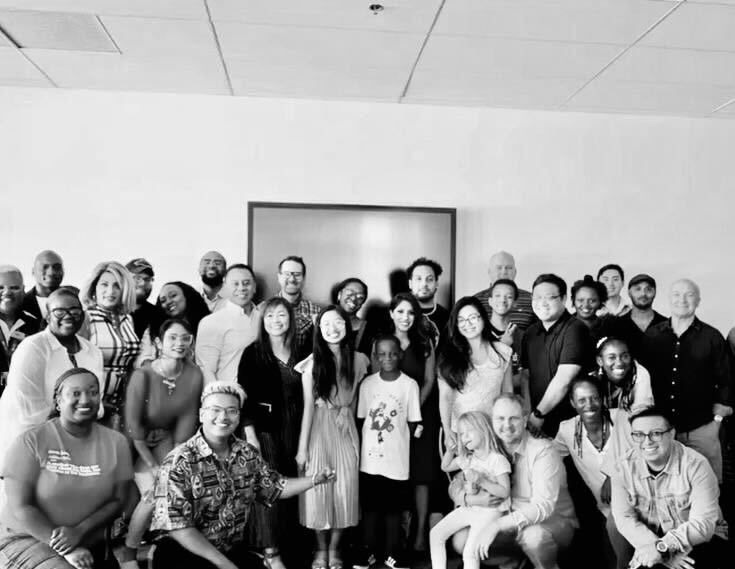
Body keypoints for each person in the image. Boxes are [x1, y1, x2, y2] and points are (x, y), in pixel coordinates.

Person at [150, 382, 336, 569]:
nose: (223, 417)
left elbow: (275, 487)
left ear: (239, 416)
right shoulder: (179, 461)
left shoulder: (247, 453)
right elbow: (178, 527)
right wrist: (226, 565)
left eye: (232, 410)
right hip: (184, 553)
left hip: (229, 550)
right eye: (215, 409)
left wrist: (315, 480)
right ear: (201, 414)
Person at [0, 367, 133, 569]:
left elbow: (119, 500)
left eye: (93, 392)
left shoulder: (117, 442)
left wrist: (79, 531)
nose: (86, 399)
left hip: (86, 541)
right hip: (27, 538)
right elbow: (21, 507)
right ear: (59, 401)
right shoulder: (31, 441)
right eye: (75, 393)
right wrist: (66, 548)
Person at [449, 394, 577, 569]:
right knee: (461, 540)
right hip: (510, 524)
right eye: (500, 419)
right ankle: (512, 563)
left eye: (513, 419)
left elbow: (543, 506)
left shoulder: (544, 451)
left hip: (551, 524)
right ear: (492, 421)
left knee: (533, 537)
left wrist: (496, 525)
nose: (506, 425)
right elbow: (455, 484)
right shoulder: (490, 449)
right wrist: (470, 499)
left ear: (525, 420)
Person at [120, 319, 203, 569]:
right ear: (159, 343)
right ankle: (128, 553)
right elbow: (132, 424)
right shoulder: (142, 375)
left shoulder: (193, 373)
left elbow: (188, 417)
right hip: (133, 441)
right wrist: (152, 464)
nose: (180, 344)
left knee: (171, 484)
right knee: (153, 492)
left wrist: (173, 463)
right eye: (173, 338)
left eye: (185, 338)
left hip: (167, 438)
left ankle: (165, 544)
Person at [237, 297, 311, 569]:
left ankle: (291, 544)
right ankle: (270, 551)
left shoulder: (303, 349)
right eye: (269, 316)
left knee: (294, 485)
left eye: (281, 315)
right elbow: (244, 399)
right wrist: (251, 436)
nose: (276, 321)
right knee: (269, 487)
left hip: (297, 425)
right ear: (262, 321)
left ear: (291, 319)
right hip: (265, 429)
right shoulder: (252, 352)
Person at [295, 305, 370, 569]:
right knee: (317, 487)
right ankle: (320, 549)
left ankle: (336, 549)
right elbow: (307, 407)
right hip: (318, 426)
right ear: (319, 328)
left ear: (346, 326)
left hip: (345, 426)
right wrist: (302, 449)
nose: (332, 328)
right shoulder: (312, 364)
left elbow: (358, 396)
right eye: (326, 323)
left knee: (345, 486)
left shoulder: (359, 360)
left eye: (338, 322)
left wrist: (347, 411)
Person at [0, 287, 104, 472]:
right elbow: (29, 413)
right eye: (59, 311)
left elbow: (95, 404)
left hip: (72, 447)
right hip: (26, 447)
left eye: (74, 310)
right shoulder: (32, 348)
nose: (68, 316)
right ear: (47, 317)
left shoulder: (93, 352)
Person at [639, 279, 732, 482]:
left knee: (708, 487)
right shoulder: (653, 335)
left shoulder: (712, 337)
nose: (682, 299)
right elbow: (642, 378)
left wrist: (716, 421)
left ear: (698, 300)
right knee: (665, 488)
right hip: (660, 431)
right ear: (669, 299)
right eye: (676, 294)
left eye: (689, 295)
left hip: (701, 428)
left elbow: (726, 380)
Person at [610, 406, 724, 568]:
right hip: (649, 534)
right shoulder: (622, 468)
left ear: (671, 433)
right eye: (639, 435)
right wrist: (660, 551)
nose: (647, 441)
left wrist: (663, 548)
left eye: (656, 433)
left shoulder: (697, 465)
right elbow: (624, 518)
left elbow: (703, 523)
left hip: (695, 536)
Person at [356, 334, 421, 569]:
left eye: (393, 353)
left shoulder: (409, 385)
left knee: (394, 510)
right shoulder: (368, 384)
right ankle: (368, 552)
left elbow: (414, 422)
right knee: (371, 509)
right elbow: (362, 419)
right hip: (370, 462)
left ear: (401, 354)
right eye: (382, 354)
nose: (388, 358)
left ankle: (394, 554)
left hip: (397, 461)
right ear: (374, 357)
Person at [386, 292, 440, 552]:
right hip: (389, 417)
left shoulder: (425, 342)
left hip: (421, 415)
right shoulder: (383, 343)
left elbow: (430, 380)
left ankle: (420, 534)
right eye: (400, 312)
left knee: (422, 475)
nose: (405, 317)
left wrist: (413, 409)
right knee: (395, 474)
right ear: (391, 314)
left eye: (410, 312)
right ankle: (397, 535)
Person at [554, 377, 624, 569]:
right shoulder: (567, 429)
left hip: (637, 500)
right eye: (582, 400)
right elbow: (549, 456)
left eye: (594, 398)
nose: (589, 405)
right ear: (572, 403)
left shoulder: (620, 418)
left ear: (602, 399)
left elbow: (642, 449)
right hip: (608, 511)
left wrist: (612, 476)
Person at [430, 411, 511, 569]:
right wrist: (450, 451)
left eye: (468, 432)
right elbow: (445, 466)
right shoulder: (468, 459)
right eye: (461, 434)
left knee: (469, 552)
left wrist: (482, 480)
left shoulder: (497, 459)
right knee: (436, 534)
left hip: (490, 511)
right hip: (471, 508)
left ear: (483, 429)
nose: (464, 437)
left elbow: (504, 492)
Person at [522, 274, 594, 437]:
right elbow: (526, 376)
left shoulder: (575, 329)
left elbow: (564, 379)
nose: (542, 303)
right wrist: (528, 413)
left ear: (563, 299)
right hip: (535, 422)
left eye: (550, 297)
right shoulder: (530, 333)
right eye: (537, 298)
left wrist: (539, 414)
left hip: (570, 422)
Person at [438, 296, 513, 446]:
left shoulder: (503, 352)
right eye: (462, 320)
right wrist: (447, 431)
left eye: (473, 318)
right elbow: (445, 397)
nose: (468, 324)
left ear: (483, 319)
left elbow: (507, 394)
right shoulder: (448, 356)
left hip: (494, 432)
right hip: (462, 434)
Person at [80, 262, 140, 429]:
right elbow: (77, 364)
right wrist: (96, 401)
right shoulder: (86, 317)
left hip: (121, 405)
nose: (110, 291)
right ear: (94, 289)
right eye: (104, 285)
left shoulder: (128, 319)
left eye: (117, 286)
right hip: (93, 402)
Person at [195, 264, 260, 384]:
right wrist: (219, 398)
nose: (241, 288)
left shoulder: (265, 318)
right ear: (225, 287)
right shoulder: (211, 322)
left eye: (246, 283)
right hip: (228, 395)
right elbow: (206, 370)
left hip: (261, 397)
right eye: (235, 284)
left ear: (254, 286)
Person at [0, 265, 41, 393]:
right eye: (1, 287)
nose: (7, 293)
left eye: (14, 288)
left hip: (23, 402)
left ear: (24, 291)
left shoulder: (36, 324)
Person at [474, 251, 535, 331]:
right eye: (499, 268)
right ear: (489, 272)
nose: (504, 272)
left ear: (515, 272)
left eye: (509, 268)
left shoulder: (532, 299)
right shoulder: (476, 301)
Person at [269, 256, 321, 348]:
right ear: (279, 277)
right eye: (287, 274)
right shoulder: (264, 309)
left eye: (297, 274)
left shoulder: (316, 311)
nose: (292, 279)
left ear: (304, 278)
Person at [610, 274, 666, 359]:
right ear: (629, 293)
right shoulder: (615, 326)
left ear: (655, 292)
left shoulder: (667, 325)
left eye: (648, 289)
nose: (643, 294)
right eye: (638, 289)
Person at [486, 279, 524, 379]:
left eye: (509, 297)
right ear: (490, 301)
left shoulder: (522, 336)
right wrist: (503, 346)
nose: (503, 300)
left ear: (515, 303)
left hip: (514, 393)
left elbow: (524, 376)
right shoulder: (479, 333)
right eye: (498, 295)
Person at [407, 257, 450, 340]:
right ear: (410, 283)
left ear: (436, 283)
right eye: (418, 279)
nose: (424, 284)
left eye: (429, 279)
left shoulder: (446, 317)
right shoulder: (401, 314)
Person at [20, 250, 65, 327]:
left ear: (63, 271)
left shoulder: (77, 299)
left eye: (57, 267)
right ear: (33, 271)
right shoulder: (20, 304)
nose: (51, 272)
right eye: (45, 267)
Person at [571, 275, 613, 346]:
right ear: (573, 301)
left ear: (601, 302)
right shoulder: (563, 327)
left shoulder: (609, 328)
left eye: (592, 301)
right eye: (580, 300)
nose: (586, 305)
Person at [335, 278, 371, 354]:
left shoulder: (369, 329)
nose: (354, 299)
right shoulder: (322, 322)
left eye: (360, 297)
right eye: (349, 293)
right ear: (339, 295)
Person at [125, 258, 157, 341]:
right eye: (137, 278)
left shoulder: (158, 315)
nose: (143, 283)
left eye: (147, 279)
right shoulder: (110, 311)